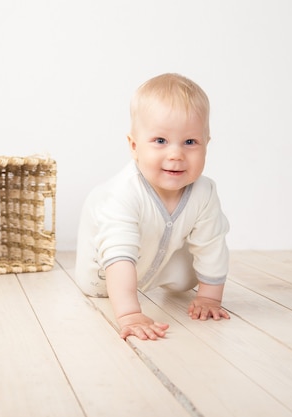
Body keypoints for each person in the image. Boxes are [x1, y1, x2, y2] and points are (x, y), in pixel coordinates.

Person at [75, 73, 230, 340]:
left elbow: (212, 244)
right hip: (103, 276)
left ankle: (160, 280)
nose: (176, 154)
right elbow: (120, 253)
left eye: (190, 142)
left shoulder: (204, 191)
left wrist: (209, 297)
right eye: (160, 141)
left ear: (207, 145)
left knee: (188, 277)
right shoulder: (123, 194)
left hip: (156, 266)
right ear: (134, 146)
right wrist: (129, 313)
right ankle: (126, 295)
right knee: (116, 256)